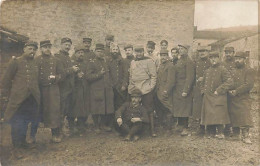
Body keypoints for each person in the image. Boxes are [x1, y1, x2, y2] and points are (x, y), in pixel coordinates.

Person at [1, 41, 40, 158]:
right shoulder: (16, 62)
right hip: (18, 99)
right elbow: (6, 80)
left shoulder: (35, 63)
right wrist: (5, 96)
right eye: (29, 48)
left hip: (31, 99)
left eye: (34, 49)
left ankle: (22, 143)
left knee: (27, 121)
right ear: (24, 49)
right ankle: (16, 147)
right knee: (17, 122)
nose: (32, 51)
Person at [35, 40, 64, 143]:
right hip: (41, 89)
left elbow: (62, 75)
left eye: (49, 47)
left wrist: (55, 78)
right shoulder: (37, 60)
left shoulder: (56, 60)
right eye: (45, 47)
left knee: (54, 111)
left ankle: (56, 133)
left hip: (53, 89)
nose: (47, 49)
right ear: (41, 49)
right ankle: (33, 136)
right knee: (40, 110)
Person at [201, 51, 233, 139]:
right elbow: (202, 83)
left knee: (218, 113)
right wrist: (203, 91)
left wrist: (219, 90)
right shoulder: (207, 71)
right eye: (211, 58)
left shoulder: (223, 69)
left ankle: (220, 132)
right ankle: (211, 132)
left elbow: (229, 82)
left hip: (219, 95)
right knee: (209, 114)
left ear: (218, 58)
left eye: (215, 57)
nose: (213, 60)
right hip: (208, 96)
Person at [128, 45, 157, 137]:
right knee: (135, 110)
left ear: (143, 52)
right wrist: (131, 88)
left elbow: (153, 76)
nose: (138, 54)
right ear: (134, 53)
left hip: (146, 89)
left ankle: (152, 131)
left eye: (140, 52)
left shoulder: (149, 61)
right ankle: (138, 131)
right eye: (137, 52)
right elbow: (131, 76)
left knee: (149, 110)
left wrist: (150, 87)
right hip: (135, 90)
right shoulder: (133, 62)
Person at [86, 43, 114, 133]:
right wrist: (99, 74)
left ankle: (102, 125)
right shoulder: (91, 62)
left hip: (106, 89)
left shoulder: (105, 62)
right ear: (94, 52)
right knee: (96, 108)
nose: (100, 53)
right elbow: (88, 76)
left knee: (105, 108)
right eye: (98, 51)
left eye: (102, 51)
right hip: (96, 89)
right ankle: (96, 126)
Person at [228, 51, 255, 144]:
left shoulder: (249, 70)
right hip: (233, 96)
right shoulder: (232, 70)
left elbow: (249, 84)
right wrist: (230, 90)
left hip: (243, 96)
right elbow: (230, 82)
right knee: (234, 114)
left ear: (244, 59)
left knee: (244, 115)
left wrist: (237, 91)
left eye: (239, 59)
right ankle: (235, 134)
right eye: (236, 59)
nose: (237, 61)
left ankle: (246, 136)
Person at [55, 38, 79, 136]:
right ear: (61, 45)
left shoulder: (68, 57)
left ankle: (70, 128)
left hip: (71, 88)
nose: (67, 47)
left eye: (69, 45)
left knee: (70, 109)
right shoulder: (57, 57)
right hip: (63, 88)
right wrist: (71, 69)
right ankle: (59, 131)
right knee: (62, 110)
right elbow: (60, 74)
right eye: (66, 44)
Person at [172, 44, 195, 136]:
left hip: (184, 87)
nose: (180, 50)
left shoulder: (189, 61)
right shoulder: (179, 60)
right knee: (179, 107)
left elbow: (190, 77)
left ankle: (185, 127)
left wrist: (186, 90)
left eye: (182, 49)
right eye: (180, 49)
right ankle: (180, 125)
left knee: (185, 108)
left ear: (187, 50)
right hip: (177, 88)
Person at [68, 45, 89, 136]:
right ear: (75, 53)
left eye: (82, 52)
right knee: (72, 108)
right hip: (74, 89)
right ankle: (71, 127)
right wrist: (76, 76)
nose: (81, 54)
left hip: (84, 88)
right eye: (79, 53)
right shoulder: (71, 62)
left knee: (82, 108)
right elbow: (68, 75)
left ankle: (81, 127)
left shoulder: (85, 63)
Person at [192, 45, 211, 135]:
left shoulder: (210, 61)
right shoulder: (196, 62)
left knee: (208, 106)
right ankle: (201, 127)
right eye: (200, 51)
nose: (202, 53)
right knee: (198, 107)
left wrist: (204, 78)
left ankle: (210, 127)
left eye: (204, 51)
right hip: (198, 87)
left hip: (208, 88)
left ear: (207, 52)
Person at [155, 49, 176, 130]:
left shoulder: (170, 66)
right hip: (159, 91)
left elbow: (171, 81)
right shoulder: (161, 65)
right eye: (161, 55)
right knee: (161, 108)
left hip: (166, 92)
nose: (163, 57)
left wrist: (166, 91)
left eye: (164, 55)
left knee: (168, 109)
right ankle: (163, 126)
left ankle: (169, 128)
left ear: (167, 56)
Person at [108, 43, 128, 111]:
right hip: (111, 86)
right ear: (111, 50)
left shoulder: (123, 61)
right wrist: (110, 84)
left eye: (116, 49)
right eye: (113, 49)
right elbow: (108, 74)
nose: (115, 51)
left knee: (120, 104)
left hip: (120, 87)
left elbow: (125, 74)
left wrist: (124, 85)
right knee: (111, 104)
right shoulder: (108, 60)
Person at [222, 46, 236, 136]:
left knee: (234, 109)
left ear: (233, 53)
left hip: (235, 90)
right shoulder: (222, 63)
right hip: (225, 89)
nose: (228, 54)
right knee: (225, 108)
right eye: (226, 53)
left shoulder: (236, 63)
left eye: (229, 52)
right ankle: (227, 127)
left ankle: (235, 129)